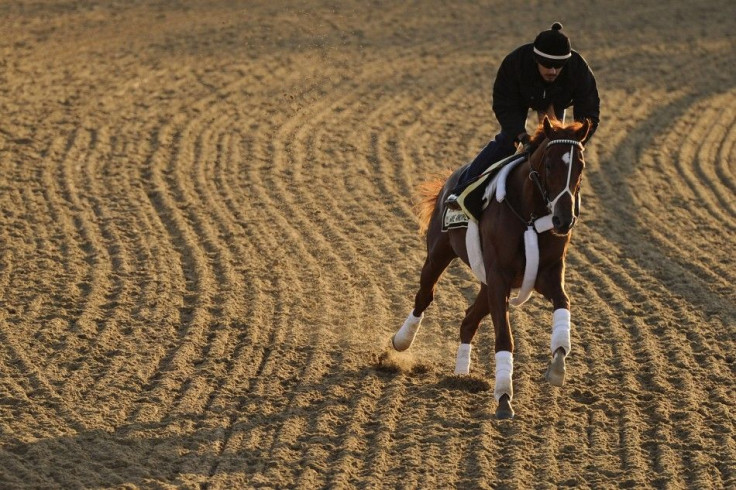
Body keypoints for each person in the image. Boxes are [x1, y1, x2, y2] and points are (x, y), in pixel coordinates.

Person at [445, 22, 600, 208]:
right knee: (506, 141)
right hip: (519, 98)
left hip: (558, 100)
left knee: (560, 151)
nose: (552, 71)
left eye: (558, 66)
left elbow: (589, 113)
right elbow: (503, 104)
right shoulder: (515, 63)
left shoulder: (578, 69)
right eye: (547, 65)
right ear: (536, 60)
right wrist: (521, 135)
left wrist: (574, 141)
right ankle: (462, 189)